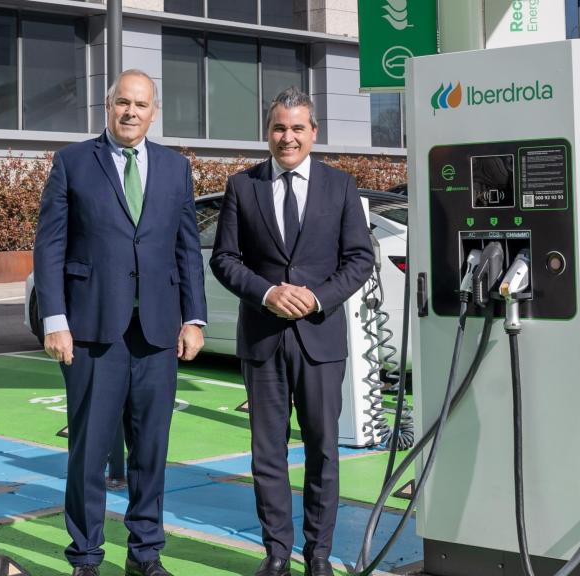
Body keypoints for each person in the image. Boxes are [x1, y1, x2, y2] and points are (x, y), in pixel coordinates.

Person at [33, 69, 207, 576]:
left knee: (151, 450)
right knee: (88, 453)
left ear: (153, 113)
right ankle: (86, 557)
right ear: (107, 107)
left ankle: (145, 555)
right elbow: (50, 246)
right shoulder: (72, 163)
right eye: (122, 103)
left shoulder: (176, 168)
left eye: (141, 105)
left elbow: (187, 249)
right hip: (90, 332)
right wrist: (55, 320)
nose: (131, 112)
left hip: (157, 333)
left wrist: (193, 318)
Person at [210, 87, 374, 576]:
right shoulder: (243, 186)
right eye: (279, 128)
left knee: (323, 450)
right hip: (263, 340)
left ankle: (317, 555)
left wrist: (318, 297)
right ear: (268, 132)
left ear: (314, 133)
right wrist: (267, 293)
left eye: (297, 128)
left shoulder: (340, 186)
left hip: (320, 339)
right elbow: (224, 258)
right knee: (268, 453)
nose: (288, 137)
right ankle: (277, 552)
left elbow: (360, 258)